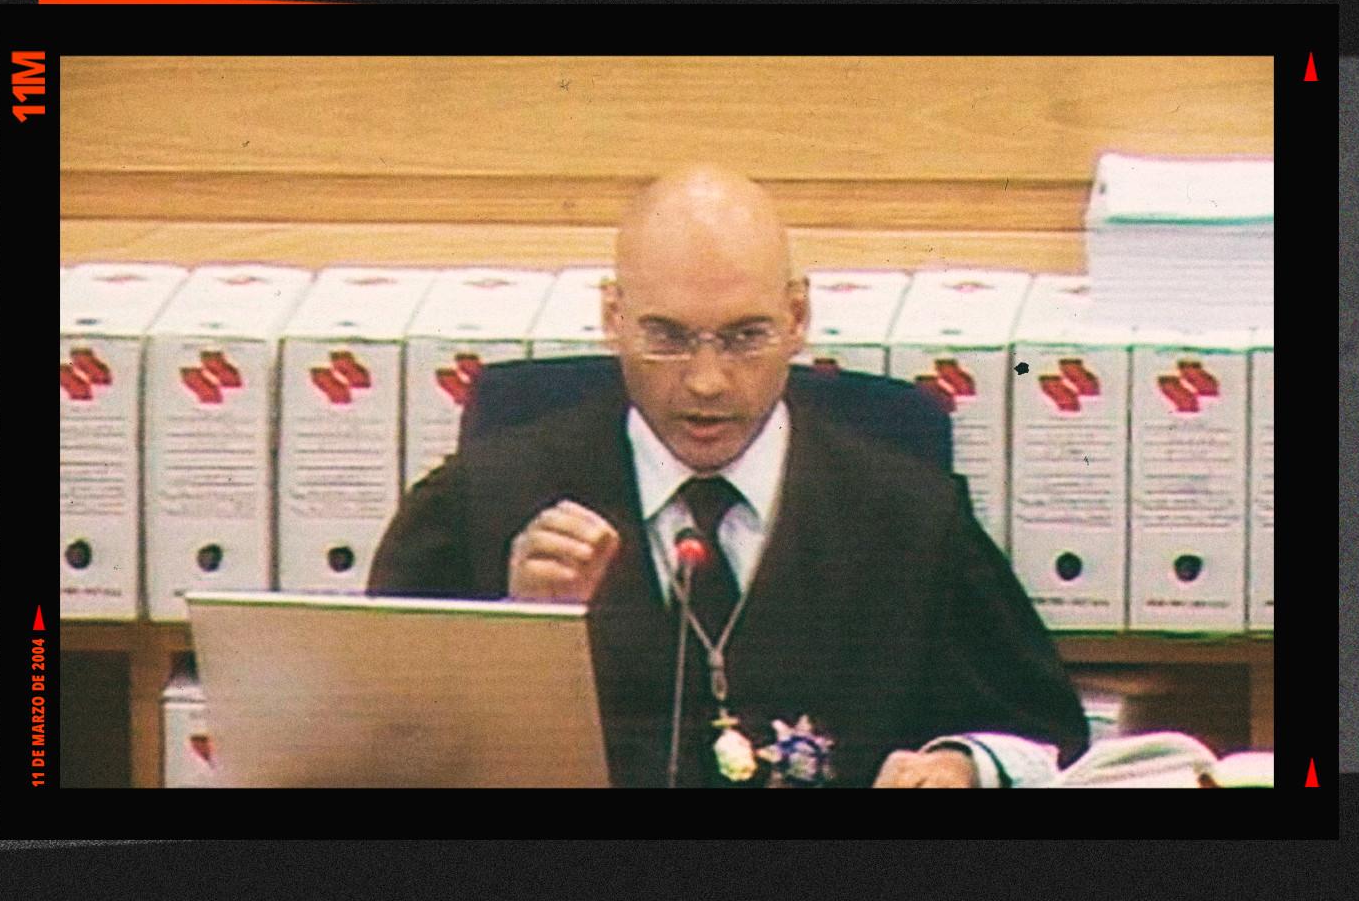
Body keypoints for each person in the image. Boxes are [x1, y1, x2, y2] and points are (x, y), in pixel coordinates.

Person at [367, 165, 1089, 787]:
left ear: (797, 318)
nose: (707, 382)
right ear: (614, 318)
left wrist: (960, 764)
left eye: (746, 337)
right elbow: (378, 749)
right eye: (667, 338)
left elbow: (1044, 735)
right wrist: (520, 637)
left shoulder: (907, 515)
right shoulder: (481, 500)